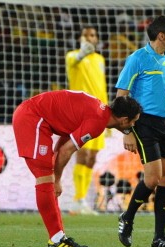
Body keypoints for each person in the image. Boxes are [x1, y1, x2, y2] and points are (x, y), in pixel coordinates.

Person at [12, 90, 141, 247]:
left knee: (48, 178)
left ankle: (57, 238)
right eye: (133, 122)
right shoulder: (97, 123)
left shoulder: (99, 111)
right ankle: (56, 240)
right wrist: (57, 179)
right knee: (45, 178)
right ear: (124, 120)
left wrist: (56, 177)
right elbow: (66, 151)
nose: (133, 126)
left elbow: (65, 139)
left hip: (35, 116)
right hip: (32, 118)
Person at [115, 15, 165, 247]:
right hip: (145, 124)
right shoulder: (138, 59)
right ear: (161, 36)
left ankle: (160, 237)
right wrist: (127, 131)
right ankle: (128, 217)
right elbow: (121, 96)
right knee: (153, 178)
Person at [65, 26, 108, 215]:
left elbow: (103, 87)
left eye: (93, 35)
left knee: (92, 157)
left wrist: (108, 116)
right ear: (81, 39)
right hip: (80, 112)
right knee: (81, 154)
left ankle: (82, 201)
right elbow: (75, 60)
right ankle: (78, 199)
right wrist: (83, 52)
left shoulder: (100, 59)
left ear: (97, 39)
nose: (90, 38)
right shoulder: (73, 57)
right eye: (86, 36)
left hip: (99, 113)